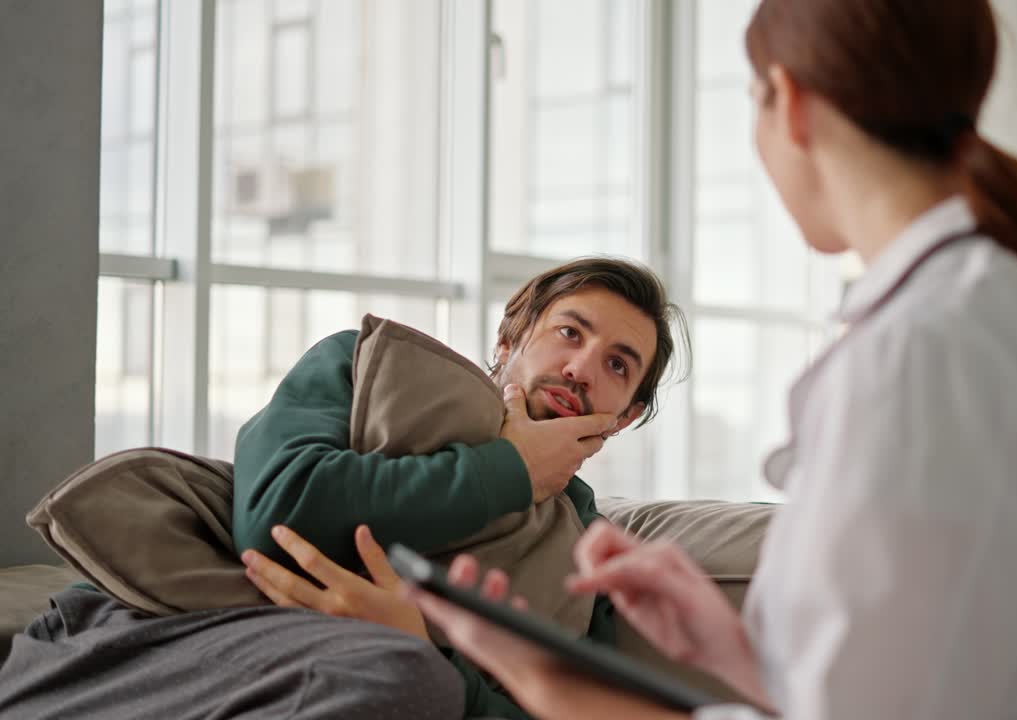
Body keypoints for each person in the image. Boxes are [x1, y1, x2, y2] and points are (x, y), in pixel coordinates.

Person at [390, 1, 1017, 718]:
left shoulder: (917, 353)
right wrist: (730, 649)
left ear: (788, 103)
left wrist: (546, 680)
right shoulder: (1010, 306)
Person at [0, 257, 687, 720]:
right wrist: (508, 469)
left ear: (624, 415)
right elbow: (275, 517)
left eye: (617, 365)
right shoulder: (367, 368)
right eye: (569, 332)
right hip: (157, 634)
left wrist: (422, 641)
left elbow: (568, 708)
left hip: (360, 686)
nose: (581, 367)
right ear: (510, 339)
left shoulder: (590, 555)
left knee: (408, 681)